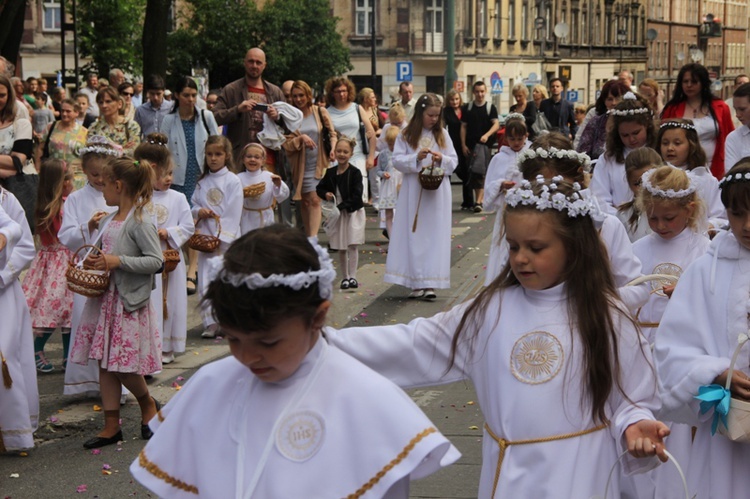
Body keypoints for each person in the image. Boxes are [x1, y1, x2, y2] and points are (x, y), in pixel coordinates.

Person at [327, 176, 669, 498]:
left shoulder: (606, 315)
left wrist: (635, 424)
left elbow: (631, 396)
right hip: (508, 475)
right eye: (513, 245)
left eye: (536, 247)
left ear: (574, 247)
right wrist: (322, 345)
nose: (520, 258)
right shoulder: (491, 311)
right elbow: (414, 343)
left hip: (581, 474)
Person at [129, 225, 460, 497]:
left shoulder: (367, 400)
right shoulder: (210, 385)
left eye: (268, 342)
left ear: (317, 318)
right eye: (233, 339)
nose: (246, 357)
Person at [654, 160, 750, 499]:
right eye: (737, 214)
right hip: (727, 437)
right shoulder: (705, 272)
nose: (747, 225)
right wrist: (713, 372)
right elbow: (669, 350)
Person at [68, 156, 162, 449]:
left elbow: (156, 261)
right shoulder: (108, 219)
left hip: (127, 303)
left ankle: (148, 404)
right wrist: (95, 261)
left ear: (118, 185)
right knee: (106, 364)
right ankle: (111, 426)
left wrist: (115, 261)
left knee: (123, 365)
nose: (101, 190)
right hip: (105, 301)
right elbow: (101, 251)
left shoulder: (139, 221)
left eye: (106, 184)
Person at [58, 136, 120, 397]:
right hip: (87, 273)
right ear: (84, 170)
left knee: (111, 325)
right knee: (87, 323)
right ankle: (85, 382)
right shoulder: (74, 199)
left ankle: (114, 381)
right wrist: (89, 226)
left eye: (103, 175)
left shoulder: (117, 194)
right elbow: (66, 235)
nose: (99, 180)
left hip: (112, 268)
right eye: (94, 174)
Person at [385, 93, 457, 300]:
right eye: (430, 115)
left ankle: (431, 282)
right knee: (414, 234)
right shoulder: (406, 134)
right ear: (420, 113)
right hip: (414, 189)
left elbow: (454, 161)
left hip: (436, 193)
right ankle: (416, 281)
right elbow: (397, 160)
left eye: (436, 115)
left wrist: (440, 157)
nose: (434, 119)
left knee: (434, 235)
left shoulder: (442, 134)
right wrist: (415, 158)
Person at [134, 133, 195, 365]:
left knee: (171, 301)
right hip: (147, 260)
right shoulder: (140, 197)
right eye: (163, 174)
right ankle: (150, 345)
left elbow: (188, 226)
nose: (169, 178)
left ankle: (168, 345)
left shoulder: (178, 198)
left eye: (171, 173)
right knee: (151, 302)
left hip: (170, 261)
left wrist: (169, 233)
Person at [21, 159, 74, 373]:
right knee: (52, 308)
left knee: (70, 310)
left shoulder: (62, 202)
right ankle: (36, 349)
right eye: (68, 178)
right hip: (56, 264)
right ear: (57, 183)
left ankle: (68, 355)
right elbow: (64, 234)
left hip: (66, 261)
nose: (72, 182)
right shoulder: (55, 207)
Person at [191, 135, 243, 339]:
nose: (213, 158)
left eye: (218, 154)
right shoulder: (202, 181)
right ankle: (210, 322)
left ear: (227, 156)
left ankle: (227, 321)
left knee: (225, 280)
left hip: (224, 240)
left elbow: (234, 210)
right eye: (210, 154)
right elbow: (194, 203)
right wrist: (198, 212)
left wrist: (222, 238)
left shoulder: (233, 180)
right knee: (205, 280)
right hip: (206, 239)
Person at [0, 192, 37, 452]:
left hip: (5, 291)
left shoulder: (6, 200)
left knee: (6, 354)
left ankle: (10, 431)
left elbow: (24, 243)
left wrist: (3, 276)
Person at [212, 47, 285, 169]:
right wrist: (237, 110)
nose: (254, 65)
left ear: (264, 65)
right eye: (251, 61)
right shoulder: (231, 90)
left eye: (258, 62)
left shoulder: (275, 92)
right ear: (244, 63)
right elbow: (214, 117)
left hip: (269, 159)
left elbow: (289, 125)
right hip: (239, 159)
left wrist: (277, 117)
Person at [661, 63, 734, 180]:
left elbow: (730, 136)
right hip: (680, 169)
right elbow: (662, 138)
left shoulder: (720, 107)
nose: (689, 85)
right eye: (685, 81)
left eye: (694, 81)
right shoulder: (672, 109)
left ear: (703, 83)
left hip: (714, 167)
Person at [283, 80, 336, 237]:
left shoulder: (319, 112)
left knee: (314, 200)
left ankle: (313, 239)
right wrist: (301, 139)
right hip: (300, 166)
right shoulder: (290, 116)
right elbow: (286, 144)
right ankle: (308, 236)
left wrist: (333, 148)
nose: (298, 99)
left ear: (308, 95)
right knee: (305, 203)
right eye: (295, 96)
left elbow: (332, 133)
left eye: (301, 95)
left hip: (319, 164)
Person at [590, 93, 657, 214]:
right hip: (618, 222)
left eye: (636, 133)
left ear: (647, 125)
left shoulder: (659, 151)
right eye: (625, 135)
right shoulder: (608, 159)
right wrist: (622, 218)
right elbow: (599, 198)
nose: (631, 139)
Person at [483, 116, 529, 285]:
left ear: (526, 136)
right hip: (507, 207)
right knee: (503, 243)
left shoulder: (531, 155)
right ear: (506, 138)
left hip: (527, 208)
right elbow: (489, 184)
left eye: (520, 138)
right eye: (512, 139)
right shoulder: (499, 159)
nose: (516, 143)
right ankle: (500, 279)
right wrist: (501, 184)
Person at [657, 119, 726, 231]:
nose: (670, 148)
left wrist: (706, 227)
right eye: (665, 143)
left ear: (691, 145)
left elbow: (719, 216)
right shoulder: (655, 177)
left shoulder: (705, 179)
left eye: (677, 143)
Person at [316, 136, 365, 289]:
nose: (342, 154)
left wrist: (342, 206)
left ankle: (353, 276)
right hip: (337, 213)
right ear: (334, 152)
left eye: (345, 151)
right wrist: (326, 195)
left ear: (351, 153)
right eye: (339, 151)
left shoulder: (355, 173)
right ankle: (345, 277)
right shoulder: (330, 172)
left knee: (352, 244)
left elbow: (357, 196)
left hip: (351, 212)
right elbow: (320, 188)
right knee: (341, 246)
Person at [325, 77, 377, 205]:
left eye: (344, 91)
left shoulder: (357, 108)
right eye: (338, 91)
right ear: (332, 93)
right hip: (338, 157)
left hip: (357, 155)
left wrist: (370, 157)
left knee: (358, 195)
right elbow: (329, 136)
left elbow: (372, 135)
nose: (342, 94)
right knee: (339, 196)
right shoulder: (327, 112)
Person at [460, 81, 500, 213]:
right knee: (473, 173)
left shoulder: (490, 107)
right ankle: (478, 200)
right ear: (473, 92)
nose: (480, 94)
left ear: (485, 91)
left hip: (484, 146)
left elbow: (496, 124)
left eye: (482, 91)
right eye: (477, 91)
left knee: (481, 173)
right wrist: (463, 144)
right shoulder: (468, 108)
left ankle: (479, 201)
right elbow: (463, 127)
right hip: (471, 146)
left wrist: (487, 135)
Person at [238, 143, 289, 234]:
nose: (252, 159)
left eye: (257, 157)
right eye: (249, 156)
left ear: (263, 160)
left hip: (265, 216)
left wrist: (278, 185)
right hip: (246, 217)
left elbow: (283, 196)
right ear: (243, 159)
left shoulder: (269, 177)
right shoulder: (238, 178)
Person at [575, 80, 630, 160]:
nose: (614, 103)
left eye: (618, 98)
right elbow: (582, 150)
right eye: (609, 99)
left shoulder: (632, 122)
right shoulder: (596, 122)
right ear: (604, 101)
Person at [616, 147, 662, 242]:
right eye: (637, 183)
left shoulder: (675, 208)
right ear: (628, 182)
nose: (644, 188)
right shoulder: (624, 215)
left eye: (649, 181)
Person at [37, 98, 87, 184]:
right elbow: (40, 148)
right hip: (53, 176)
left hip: (76, 179)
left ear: (76, 113)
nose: (64, 114)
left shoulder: (84, 132)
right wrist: (38, 169)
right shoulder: (51, 127)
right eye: (62, 111)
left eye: (68, 111)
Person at [87, 86, 141, 156]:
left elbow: (133, 151)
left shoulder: (131, 126)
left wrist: (107, 149)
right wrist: (121, 148)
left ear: (119, 104)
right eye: (101, 102)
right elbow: (92, 152)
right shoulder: (94, 127)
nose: (104, 105)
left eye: (108, 101)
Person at [442, 90, 470, 209]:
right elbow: (443, 127)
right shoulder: (445, 112)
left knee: (466, 173)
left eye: (457, 99)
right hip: (451, 143)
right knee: (448, 172)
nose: (455, 102)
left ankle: (468, 202)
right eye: (452, 100)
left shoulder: (465, 110)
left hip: (464, 144)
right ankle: (444, 200)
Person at [376, 126, 401, 240]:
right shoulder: (383, 154)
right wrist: (383, 174)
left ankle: (400, 237)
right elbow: (378, 170)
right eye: (390, 144)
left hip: (400, 185)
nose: (393, 147)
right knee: (389, 213)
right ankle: (392, 238)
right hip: (389, 186)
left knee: (401, 212)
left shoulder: (402, 153)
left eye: (395, 144)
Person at [723, 82, 750, 170]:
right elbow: (732, 173)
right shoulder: (734, 138)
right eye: (735, 109)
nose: (737, 114)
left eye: (742, 109)